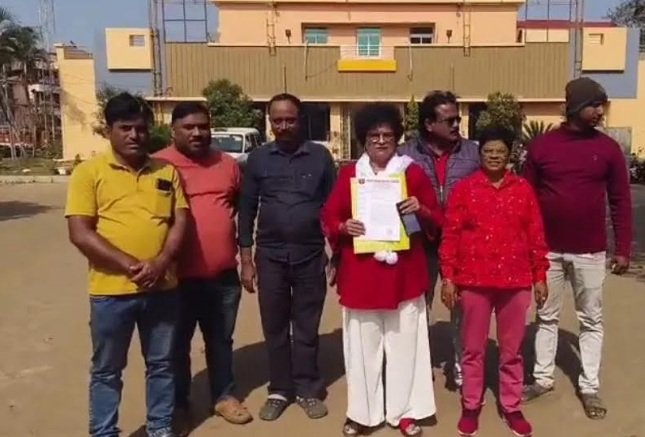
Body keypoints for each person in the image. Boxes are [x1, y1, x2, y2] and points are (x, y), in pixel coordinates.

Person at [65, 93, 189, 437]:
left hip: (163, 289)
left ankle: (160, 427)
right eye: (125, 128)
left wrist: (161, 262)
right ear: (109, 131)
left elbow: (180, 221)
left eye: (141, 128)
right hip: (111, 293)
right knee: (107, 369)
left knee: (162, 365)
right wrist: (133, 265)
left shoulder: (166, 171)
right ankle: (105, 432)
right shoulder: (89, 172)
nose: (135, 135)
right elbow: (80, 233)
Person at [322, 103, 442, 437]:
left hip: (404, 275)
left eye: (387, 134)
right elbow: (329, 216)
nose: (380, 140)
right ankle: (362, 414)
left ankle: (405, 412)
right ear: (363, 138)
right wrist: (343, 226)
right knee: (363, 350)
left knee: (405, 348)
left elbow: (436, 219)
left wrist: (421, 209)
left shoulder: (411, 173)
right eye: (373, 135)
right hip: (362, 276)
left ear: (397, 137)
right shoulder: (350, 175)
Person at [522, 77, 633, 420]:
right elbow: (524, 199)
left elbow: (620, 201)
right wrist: (526, 246)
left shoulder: (609, 149)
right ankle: (542, 379)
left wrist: (623, 248)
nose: (600, 111)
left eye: (602, 105)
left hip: (590, 252)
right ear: (575, 107)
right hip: (548, 251)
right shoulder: (542, 147)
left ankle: (589, 386)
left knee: (591, 320)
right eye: (594, 105)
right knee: (546, 315)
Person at [440, 127, 549, 437]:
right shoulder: (465, 189)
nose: (494, 156)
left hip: (515, 282)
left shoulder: (523, 189)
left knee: (511, 351)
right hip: (474, 281)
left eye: (500, 151)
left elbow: (535, 235)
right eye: (488, 151)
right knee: (472, 349)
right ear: (480, 154)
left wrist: (540, 276)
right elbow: (451, 235)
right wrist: (448, 277)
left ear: (509, 154)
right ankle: (471, 404)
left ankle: (511, 405)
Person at [238, 93, 337, 421]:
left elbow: (335, 209)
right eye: (277, 120)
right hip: (271, 258)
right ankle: (280, 389)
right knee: (275, 326)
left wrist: (336, 255)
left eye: (289, 120)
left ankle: (308, 388)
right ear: (270, 122)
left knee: (307, 326)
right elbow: (246, 210)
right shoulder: (258, 159)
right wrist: (247, 260)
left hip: (310, 256)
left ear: (300, 120)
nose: (283, 126)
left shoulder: (320, 157)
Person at [154, 102, 252, 425]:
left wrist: (245, 258)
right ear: (173, 131)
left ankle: (223, 396)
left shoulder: (227, 164)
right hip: (175, 279)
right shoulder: (158, 165)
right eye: (189, 127)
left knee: (221, 341)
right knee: (176, 345)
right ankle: (179, 404)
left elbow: (238, 208)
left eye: (203, 126)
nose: (197, 133)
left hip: (222, 277)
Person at [398, 90, 480, 388]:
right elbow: (394, 194)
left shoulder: (473, 154)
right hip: (421, 241)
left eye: (457, 119)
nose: (457, 124)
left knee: (463, 308)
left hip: (461, 243)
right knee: (418, 306)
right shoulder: (404, 155)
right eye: (449, 120)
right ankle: (419, 367)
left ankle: (462, 367)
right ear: (429, 124)